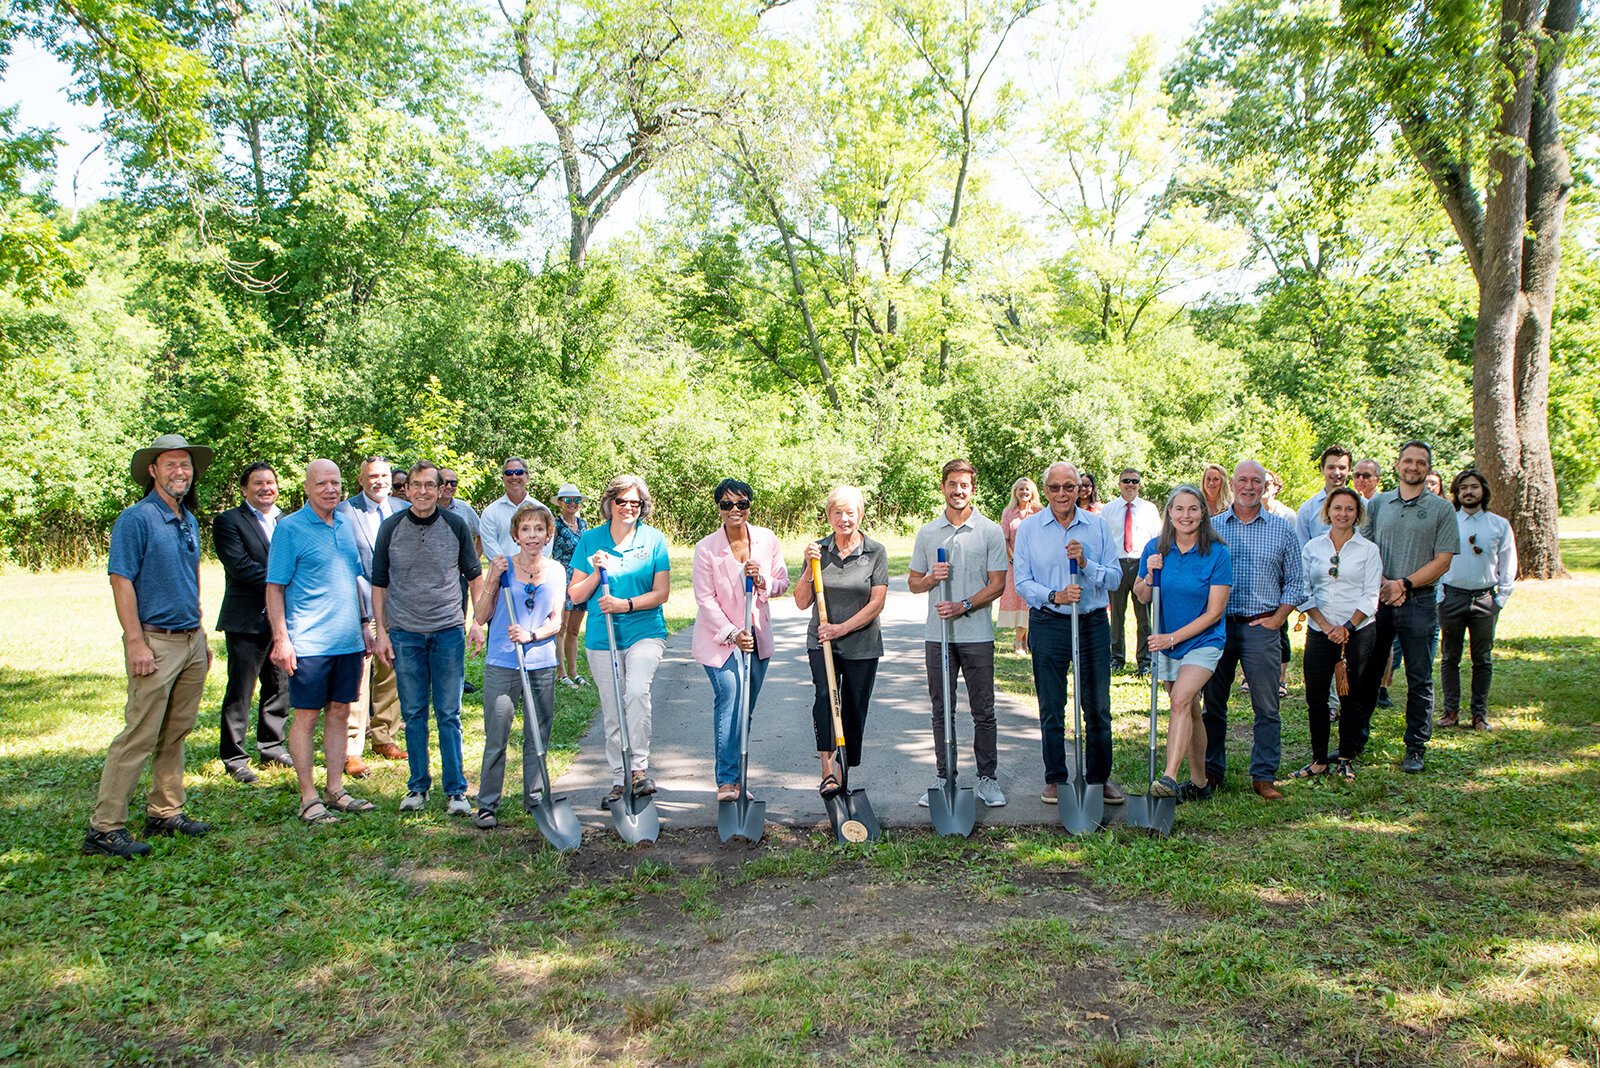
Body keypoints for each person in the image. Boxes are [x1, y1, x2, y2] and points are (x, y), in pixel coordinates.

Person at [84, 434, 215, 858]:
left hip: (190, 640)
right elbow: (121, 581)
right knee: (139, 733)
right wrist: (135, 643)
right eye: (172, 464)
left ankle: (165, 810)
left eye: (186, 465)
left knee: (176, 730)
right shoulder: (136, 519)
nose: (181, 472)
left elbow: (191, 578)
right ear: (153, 471)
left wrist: (201, 635)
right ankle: (104, 829)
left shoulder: (187, 519)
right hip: (155, 641)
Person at [266, 459, 378, 824]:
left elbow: (356, 580)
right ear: (307, 488)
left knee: (340, 712)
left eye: (336, 483)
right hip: (309, 642)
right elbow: (274, 587)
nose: (330, 489)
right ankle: (308, 795)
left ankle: (334, 789)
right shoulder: (290, 529)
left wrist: (364, 624)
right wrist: (281, 638)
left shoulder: (347, 525)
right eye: (322, 484)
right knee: (307, 716)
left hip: (347, 640)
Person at [371, 462, 484, 814]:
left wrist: (477, 622)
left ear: (440, 490)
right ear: (406, 490)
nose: (422, 491)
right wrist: (382, 632)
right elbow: (379, 585)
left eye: (429, 486)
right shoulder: (390, 528)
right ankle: (417, 787)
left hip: (448, 631)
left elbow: (475, 577)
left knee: (449, 713)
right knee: (414, 712)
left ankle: (456, 792)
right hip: (405, 634)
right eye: (415, 485)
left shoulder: (456, 525)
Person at [1013, 462, 1124, 806]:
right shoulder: (1030, 529)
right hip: (1049, 621)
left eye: (1070, 487)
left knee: (1098, 706)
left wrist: (1087, 564)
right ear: (1045, 491)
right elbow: (1022, 581)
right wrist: (1054, 596)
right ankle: (1056, 777)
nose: (1063, 494)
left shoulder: (1097, 526)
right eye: (1055, 488)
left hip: (1090, 622)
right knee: (1051, 704)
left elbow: (1116, 578)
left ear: (1080, 489)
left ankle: (1098, 778)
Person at [1353, 440, 1460, 773]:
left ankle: (1415, 746)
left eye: (1421, 462)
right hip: (1378, 600)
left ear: (1428, 468)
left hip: (1419, 602)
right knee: (1366, 673)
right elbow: (1364, 548)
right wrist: (1386, 584)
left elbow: (1442, 561)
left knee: (1419, 676)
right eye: (1408, 461)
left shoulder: (1442, 510)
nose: (1414, 467)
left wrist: (1404, 584)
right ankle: (1354, 742)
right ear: (1398, 465)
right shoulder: (1380, 504)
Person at [908, 460, 1010, 808]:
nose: (958, 490)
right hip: (938, 637)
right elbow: (913, 583)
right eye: (952, 484)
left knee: (983, 709)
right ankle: (944, 777)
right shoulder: (928, 533)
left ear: (973, 489)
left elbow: (998, 585)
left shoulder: (990, 531)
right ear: (943, 487)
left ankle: (987, 779)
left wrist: (963, 605)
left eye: (964, 485)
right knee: (941, 710)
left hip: (977, 634)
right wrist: (931, 579)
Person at [1202, 461, 1305, 801]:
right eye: (1243, 480)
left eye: (1256, 481)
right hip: (1218, 627)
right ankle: (1212, 771)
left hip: (1262, 627)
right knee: (1213, 705)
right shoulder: (1213, 528)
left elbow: (1295, 581)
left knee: (1267, 705)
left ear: (1265, 486)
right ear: (1232, 484)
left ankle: (1263, 776)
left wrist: (1278, 618)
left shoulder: (1282, 529)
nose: (1249, 486)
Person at [568, 474, 672, 808]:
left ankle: (639, 769)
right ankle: (618, 777)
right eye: (622, 501)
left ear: (642, 507)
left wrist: (624, 604)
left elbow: (662, 593)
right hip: (603, 636)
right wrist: (598, 574)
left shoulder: (653, 539)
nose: (628, 508)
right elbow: (575, 594)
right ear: (609, 503)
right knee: (613, 708)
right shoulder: (590, 540)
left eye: (635, 503)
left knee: (637, 692)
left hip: (645, 630)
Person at [691, 479, 790, 801]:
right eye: (727, 504)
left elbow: (781, 583)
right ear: (718, 507)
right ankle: (726, 781)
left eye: (741, 504)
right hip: (719, 640)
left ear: (750, 506)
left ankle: (739, 781)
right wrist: (733, 634)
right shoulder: (706, 548)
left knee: (744, 708)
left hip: (757, 636)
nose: (735, 510)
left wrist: (761, 579)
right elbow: (705, 600)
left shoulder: (766, 539)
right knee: (731, 698)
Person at [1132, 485, 1231, 800]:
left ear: (1203, 512)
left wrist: (1172, 638)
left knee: (1180, 700)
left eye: (1192, 509)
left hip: (1204, 641)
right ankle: (1200, 784)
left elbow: (1215, 613)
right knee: (1188, 710)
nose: (1185, 515)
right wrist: (1149, 575)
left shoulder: (1217, 553)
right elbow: (1142, 595)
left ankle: (1169, 777)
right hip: (1167, 643)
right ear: (1169, 513)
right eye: (1179, 509)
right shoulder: (1155, 547)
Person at [472, 501, 564, 829]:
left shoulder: (556, 571)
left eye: (539, 529)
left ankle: (535, 797)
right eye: (526, 529)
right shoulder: (502, 567)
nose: (533, 535)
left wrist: (531, 633)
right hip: (503, 662)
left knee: (538, 733)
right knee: (497, 734)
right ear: (515, 534)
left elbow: (556, 622)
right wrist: (494, 579)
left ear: (548, 533)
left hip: (541, 662)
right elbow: (481, 615)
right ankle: (487, 804)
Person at [793, 485, 888, 797]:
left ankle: (846, 767)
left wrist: (841, 628)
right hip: (822, 642)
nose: (844, 519)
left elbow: (876, 604)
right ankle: (827, 771)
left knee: (853, 708)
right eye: (838, 512)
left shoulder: (875, 551)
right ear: (828, 516)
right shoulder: (817, 551)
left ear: (860, 515)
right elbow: (800, 601)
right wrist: (809, 567)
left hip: (862, 643)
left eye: (851, 512)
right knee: (825, 697)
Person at [1292, 487, 1382, 782]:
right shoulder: (1313, 548)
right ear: (1327, 511)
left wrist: (1347, 627)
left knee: (1352, 696)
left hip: (1358, 633)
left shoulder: (1368, 550)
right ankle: (1319, 759)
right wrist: (1325, 624)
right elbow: (1302, 589)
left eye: (1350, 509)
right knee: (1316, 697)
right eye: (1338, 508)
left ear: (1358, 514)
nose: (1343, 514)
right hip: (1320, 631)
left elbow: (1371, 595)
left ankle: (1345, 757)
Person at [212, 462, 291, 783]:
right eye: (257, 483)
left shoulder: (288, 521)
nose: (265, 488)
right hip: (246, 619)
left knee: (279, 686)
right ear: (244, 489)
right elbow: (241, 566)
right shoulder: (229, 522)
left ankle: (272, 746)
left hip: (283, 619)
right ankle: (235, 757)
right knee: (241, 689)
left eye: (270, 482)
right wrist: (286, 580)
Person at [336, 455, 406, 775]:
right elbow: (347, 567)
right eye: (372, 476)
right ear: (361, 480)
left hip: (398, 606)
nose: (379, 481)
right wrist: (363, 617)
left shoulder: (403, 511)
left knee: (391, 669)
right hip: (360, 606)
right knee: (358, 676)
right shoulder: (345, 512)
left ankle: (384, 735)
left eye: (384, 475)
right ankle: (351, 747)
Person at [1437, 469, 1516, 731]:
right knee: (1450, 657)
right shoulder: (1449, 522)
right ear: (1457, 493)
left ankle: (1479, 715)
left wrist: (1501, 598)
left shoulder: (1498, 525)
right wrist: (1440, 596)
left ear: (1483, 491)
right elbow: (1435, 559)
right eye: (1463, 488)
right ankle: (1450, 711)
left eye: (1474, 487)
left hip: (1485, 599)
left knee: (1482, 658)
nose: (1469, 492)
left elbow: (1508, 562)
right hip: (1452, 597)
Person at [1101, 468, 1162, 676]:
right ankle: (1116, 657)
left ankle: (1144, 661)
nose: (1130, 485)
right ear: (1119, 484)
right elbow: (1104, 540)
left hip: (1141, 564)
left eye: (1134, 481)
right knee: (1116, 615)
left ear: (1139, 484)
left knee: (1143, 616)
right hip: (1117, 563)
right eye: (1126, 481)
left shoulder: (1149, 509)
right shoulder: (1108, 510)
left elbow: (1157, 539)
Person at [997, 478, 1041, 654]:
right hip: (1013, 563)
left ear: (1032, 493)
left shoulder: (1039, 512)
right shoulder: (1008, 512)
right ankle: (1021, 641)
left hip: (1035, 564)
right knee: (1017, 599)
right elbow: (1004, 539)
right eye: (1021, 489)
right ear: (1015, 492)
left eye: (1027, 490)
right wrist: (1014, 559)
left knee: (1028, 600)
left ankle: (1019, 641)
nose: (1024, 492)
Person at [551, 484, 590, 688]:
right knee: (561, 627)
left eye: (576, 500)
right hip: (561, 577)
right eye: (567, 500)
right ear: (560, 503)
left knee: (574, 629)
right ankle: (561, 672)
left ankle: (574, 671)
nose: (572, 504)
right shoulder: (555, 525)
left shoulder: (583, 524)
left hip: (580, 578)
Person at [481, 456, 542, 562]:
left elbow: (546, 544)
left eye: (519, 472)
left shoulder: (541, 510)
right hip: (502, 574)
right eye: (509, 473)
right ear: (503, 478)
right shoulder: (490, 512)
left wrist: (530, 567)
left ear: (527, 477)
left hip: (536, 574)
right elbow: (490, 546)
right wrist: (510, 569)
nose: (514, 476)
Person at [1296, 447, 1353, 547]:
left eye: (1342, 468)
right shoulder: (1308, 509)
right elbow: (1301, 549)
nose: (1336, 472)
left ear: (1349, 470)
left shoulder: (1363, 506)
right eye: (1331, 467)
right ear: (1322, 469)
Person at [439, 467, 482, 558]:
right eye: (445, 482)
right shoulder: (426, 509)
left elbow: (481, 534)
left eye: (453, 483)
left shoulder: (465, 508)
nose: (449, 486)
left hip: (459, 570)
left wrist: (473, 561)